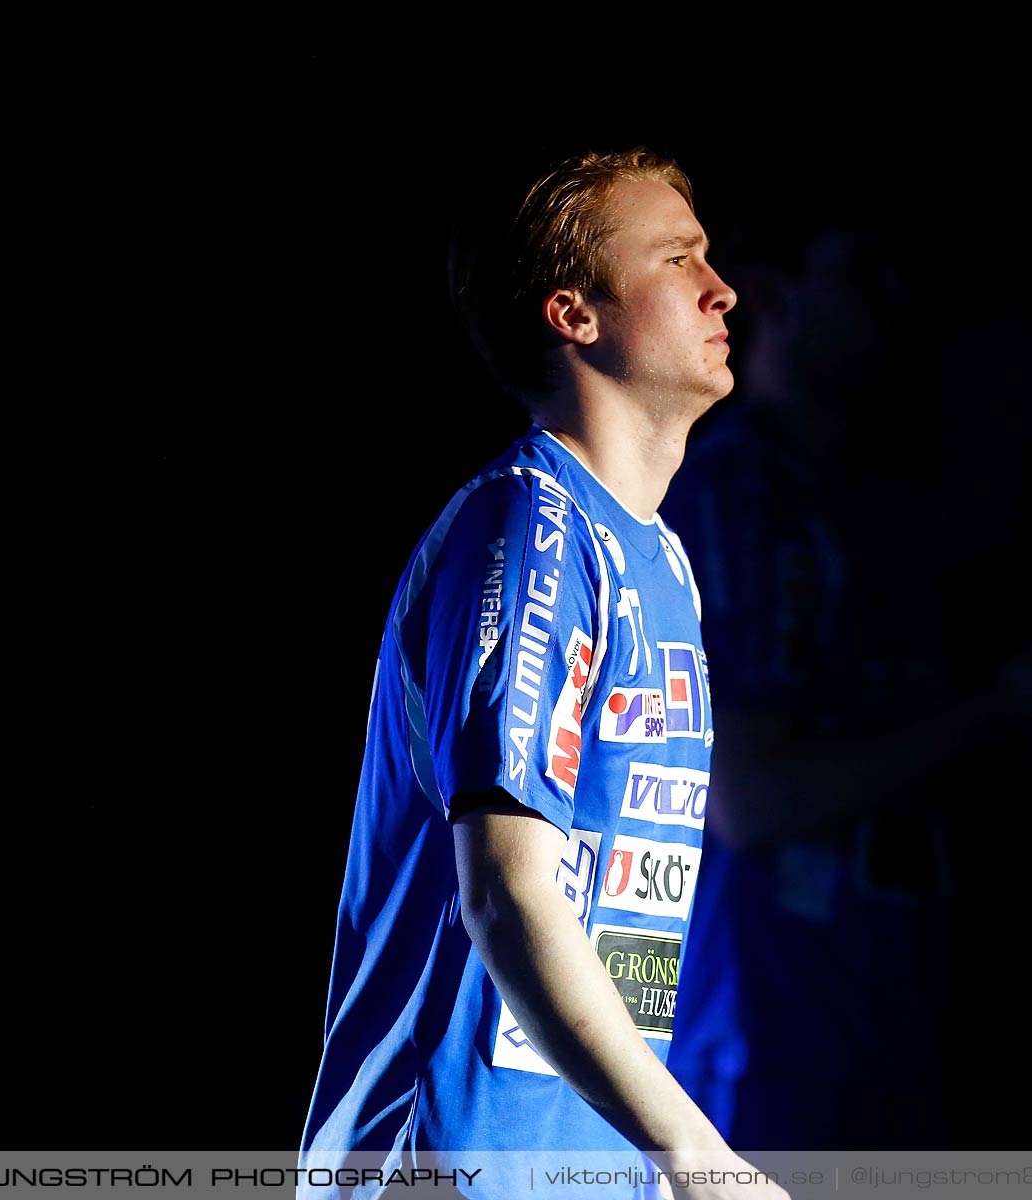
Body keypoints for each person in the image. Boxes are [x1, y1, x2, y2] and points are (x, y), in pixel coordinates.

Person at [299, 150, 786, 1199]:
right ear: (577, 314)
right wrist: (698, 1155)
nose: (724, 287)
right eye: (679, 258)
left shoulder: (663, 564)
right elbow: (511, 893)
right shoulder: (530, 525)